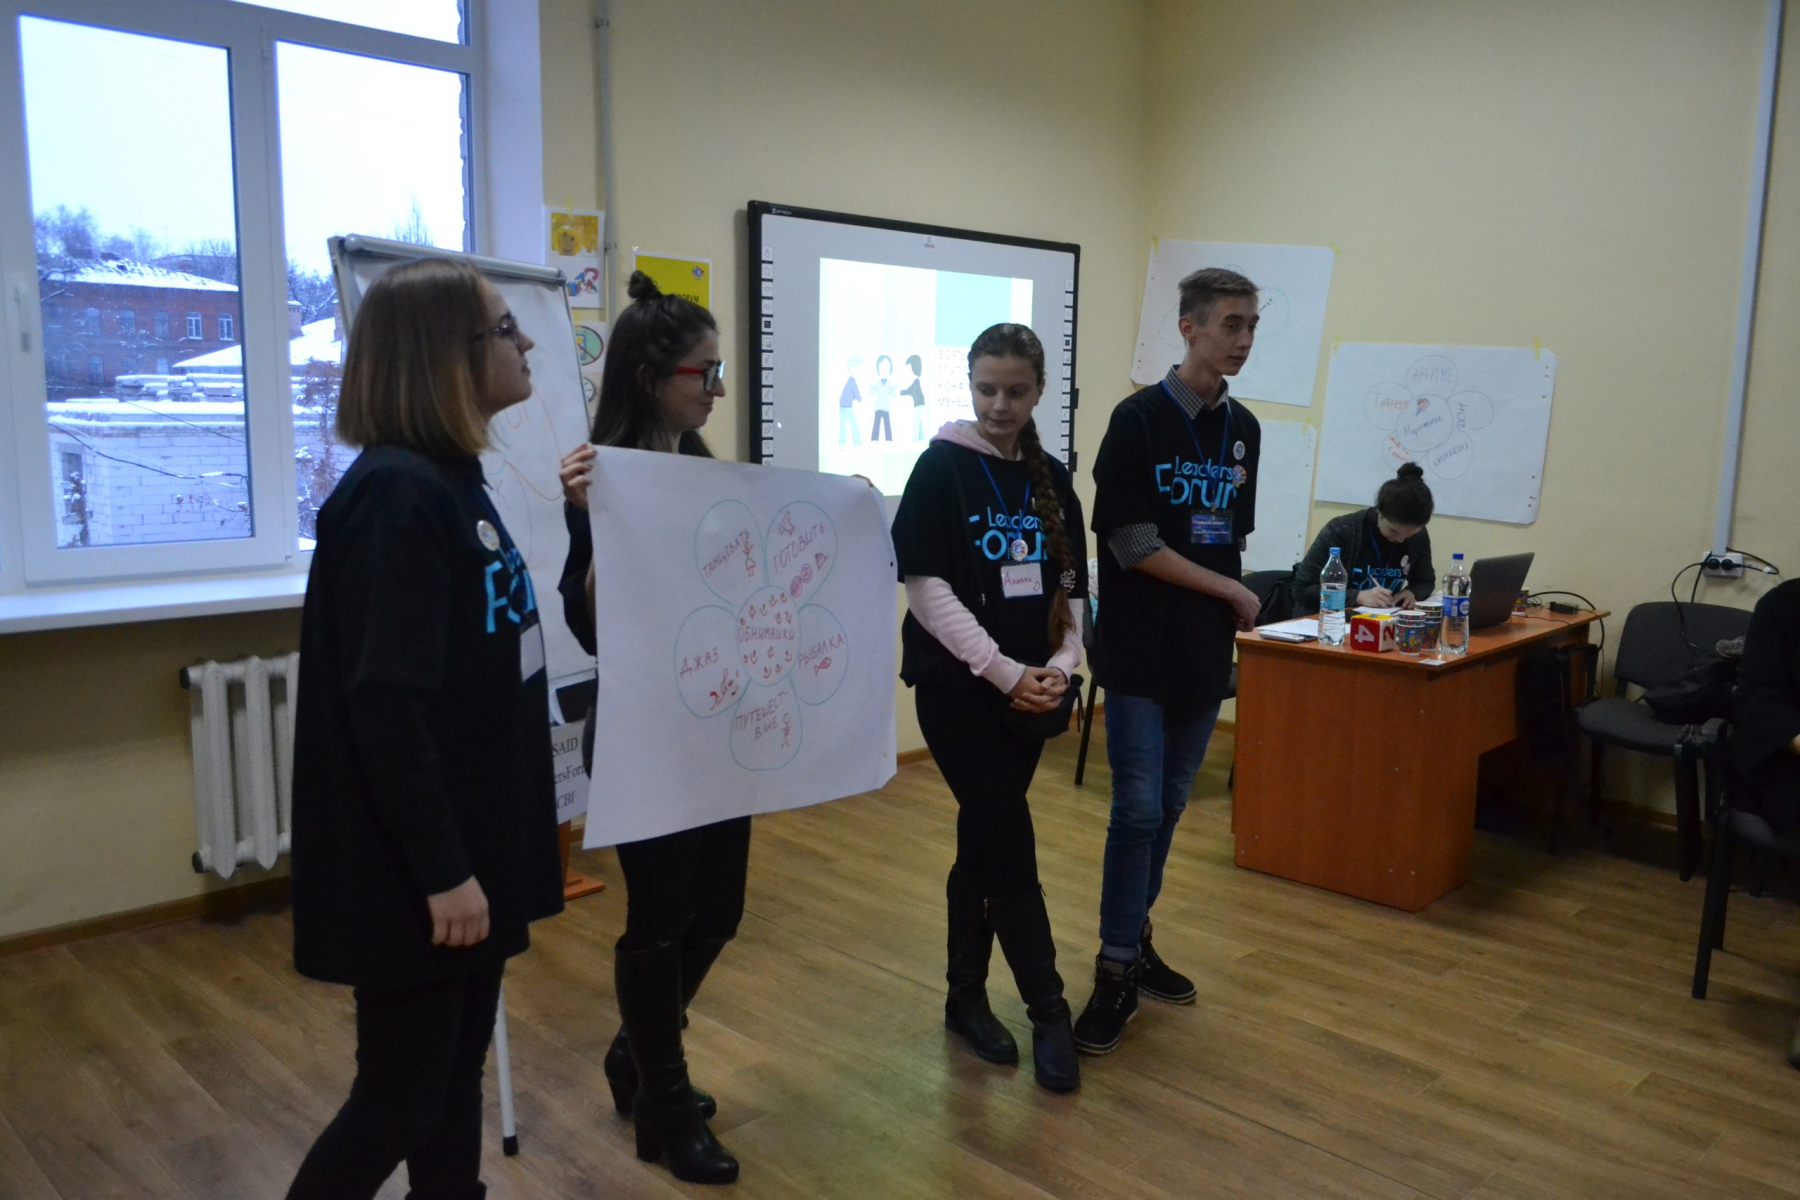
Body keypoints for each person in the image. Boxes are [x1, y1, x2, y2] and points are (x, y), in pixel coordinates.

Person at [285, 258, 564, 1200]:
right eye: (505, 329)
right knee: (398, 1100)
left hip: (470, 850)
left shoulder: (451, 480)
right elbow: (386, 708)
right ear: (448, 356)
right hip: (417, 872)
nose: (526, 342)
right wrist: (445, 871)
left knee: (449, 1082)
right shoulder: (396, 496)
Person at [555, 271, 741, 1185]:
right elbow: (592, 625)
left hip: (714, 723)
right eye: (705, 373)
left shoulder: (700, 469)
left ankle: (635, 1054)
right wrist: (599, 524)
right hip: (642, 733)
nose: (717, 391)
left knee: (720, 910)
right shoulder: (601, 477)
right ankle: (663, 1102)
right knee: (661, 917)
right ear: (649, 378)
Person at [891, 323, 1087, 1093]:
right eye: (986, 389)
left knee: (982, 841)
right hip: (959, 694)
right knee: (1008, 838)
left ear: (1038, 392)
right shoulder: (941, 467)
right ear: (969, 386)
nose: (999, 405)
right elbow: (926, 589)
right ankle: (1048, 1011)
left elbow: (1071, 593)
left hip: (1031, 694)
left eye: (1015, 391)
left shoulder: (1053, 479)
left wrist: (1061, 669)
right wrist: (1005, 672)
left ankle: (964, 998)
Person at [1076, 267, 1262, 1056]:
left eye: (1251, 326)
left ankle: (1135, 938)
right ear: (1189, 328)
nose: (1243, 339)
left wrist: (1225, 595)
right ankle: (1115, 967)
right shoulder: (1138, 420)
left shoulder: (1244, 428)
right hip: (1139, 647)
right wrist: (1230, 590)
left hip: (1201, 651)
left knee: (1173, 805)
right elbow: (1132, 543)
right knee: (1137, 810)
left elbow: (1229, 533)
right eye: (1230, 324)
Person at [1292, 462, 1437, 612]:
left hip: (1381, 619)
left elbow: (1425, 581)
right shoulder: (1342, 530)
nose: (1401, 540)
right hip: (1328, 619)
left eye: (1410, 535)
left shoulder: (1419, 536)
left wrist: (1412, 592)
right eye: (1394, 531)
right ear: (1379, 512)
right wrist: (1357, 596)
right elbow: (1301, 589)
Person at [837, 356, 863, 446]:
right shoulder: (852, 381)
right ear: (852, 368)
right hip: (847, 406)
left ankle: (841, 444)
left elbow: (852, 394)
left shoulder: (850, 381)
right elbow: (856, 393)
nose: (859, 370)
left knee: (843, 426)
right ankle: (857, 444)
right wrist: (861, 400)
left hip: (842, 406)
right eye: (858, 367)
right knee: (854, 425)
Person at [901, 352, 927, 439]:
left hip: (919, 404)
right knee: (919, 421)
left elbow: (910, 390)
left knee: (917, 421)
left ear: (914, 369)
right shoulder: (916, 381)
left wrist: (900, 392)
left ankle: (915, 439)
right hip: (920, 404)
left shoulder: (915, 382)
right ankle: (921, 438)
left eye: (909, 369)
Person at [870, 353, 896, 441]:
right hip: (878, 407)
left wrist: (894, 388)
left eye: (887, 367)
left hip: (886, 407)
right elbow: (872, 391)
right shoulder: (877, 382)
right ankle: (874, 440)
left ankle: (889, 440)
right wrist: (869, 385)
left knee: (887, 425)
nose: (884, 370)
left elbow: (893, 395)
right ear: (878, 369)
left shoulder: (889, 383)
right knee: (876, 424)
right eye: (882, 367)